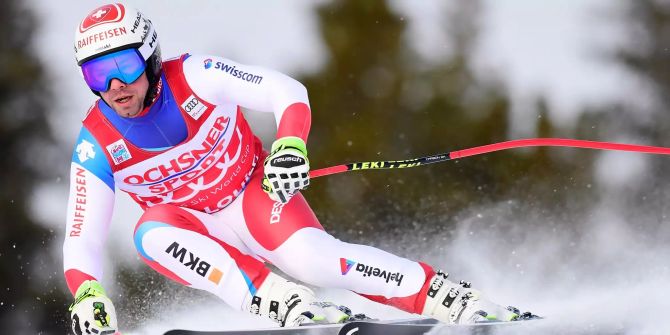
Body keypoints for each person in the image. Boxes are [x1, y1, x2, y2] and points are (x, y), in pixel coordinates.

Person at [64, 3, 525, 334]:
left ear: (149, 57)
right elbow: (82, 237)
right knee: (149, 234)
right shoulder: (96, 145)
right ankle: (280, 302)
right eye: (96, 75)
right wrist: (88, 294)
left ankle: (452, 299)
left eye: (123, 65)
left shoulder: (196, 75)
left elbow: (285, 90)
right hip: (194, 233)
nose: (115, 85)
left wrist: (289, 147)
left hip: (252, 197)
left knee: (315, 261)